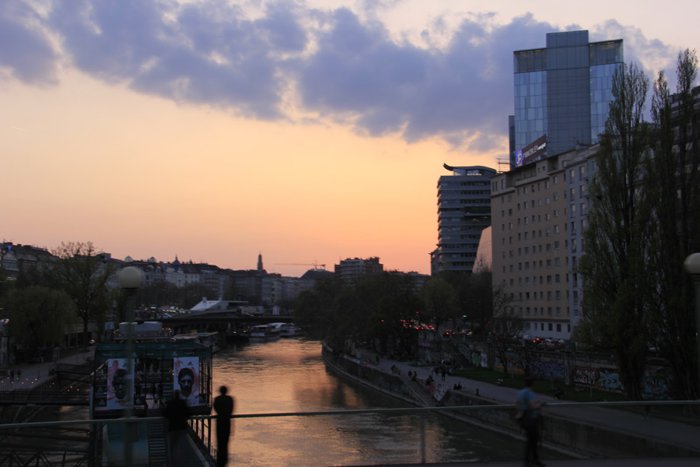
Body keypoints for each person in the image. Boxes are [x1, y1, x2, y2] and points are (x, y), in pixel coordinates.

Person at [516, 377, 545, 467]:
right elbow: (532, 406)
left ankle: (534, 459)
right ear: (532, 384)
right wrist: (540, 404)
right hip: (531, 419)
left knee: (532, 440)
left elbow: (518, 404)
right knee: (532, 441)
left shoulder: (520, 392)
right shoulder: (530, 393)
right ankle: (528, 461)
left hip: (522, 418)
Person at [164, 389, 190, 466]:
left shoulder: (170, 404)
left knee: (172, 446)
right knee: (179, 445)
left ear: (173, 396)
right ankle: (179, 462)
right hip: (182, 427)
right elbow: (189, 413)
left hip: (172, 427)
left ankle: (173, 462)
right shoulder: (183, 403)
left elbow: (166, 414)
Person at [213, 385, 235, 467]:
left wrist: (220, 413)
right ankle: (225, 458)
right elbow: (231, 409)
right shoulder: (230, 399)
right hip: (227, 421)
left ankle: (219, 459)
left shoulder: (217, 399)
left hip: (219, 421)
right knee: (226, 441)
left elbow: (215, 408)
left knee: (219, 441)